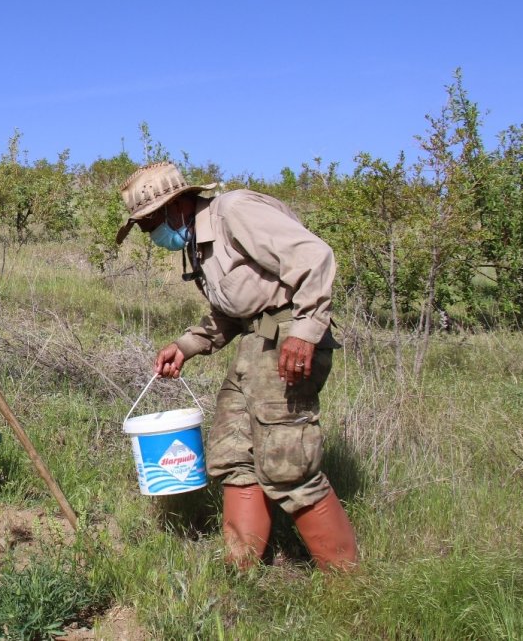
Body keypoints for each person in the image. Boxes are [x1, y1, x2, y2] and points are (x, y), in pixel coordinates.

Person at [114, 162, 358, 572]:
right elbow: (231, 314)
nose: (147, 233)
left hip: (287, 343)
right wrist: (186, 346)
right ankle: (241, 567)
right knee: (233, 453)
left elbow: (314, 257)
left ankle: (347, 580)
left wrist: (305, 331)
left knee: (287, 462)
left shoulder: (235, 211)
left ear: (176, 206)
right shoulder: (198, 244)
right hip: (254, 345)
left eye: (148, 222)